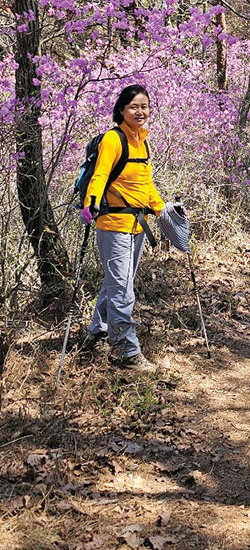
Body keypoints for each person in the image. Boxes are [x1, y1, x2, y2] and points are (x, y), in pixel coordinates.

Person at [80, 84, 165, 370]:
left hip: (138, 226)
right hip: (113, 223)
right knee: (122, 289)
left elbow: (145, 183)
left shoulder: (143, 142)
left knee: (117, 283)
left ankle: (98, 332)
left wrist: (161, 209)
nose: (140, 112)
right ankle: (127, 352)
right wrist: (91, 202)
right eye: (134, 107)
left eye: (144, 106)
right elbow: (101, 174)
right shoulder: (113, 140)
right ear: (121, 110)